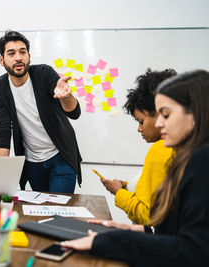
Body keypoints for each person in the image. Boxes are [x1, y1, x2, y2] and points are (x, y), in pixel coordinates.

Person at [62, 70, 209, 267]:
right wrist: (131, 230)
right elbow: (181, 232)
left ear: (195, 113)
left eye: (165, 114)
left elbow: (193, 251)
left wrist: (113, 240)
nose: (158, 123)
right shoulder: (191, 157)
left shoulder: (202, 160)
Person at [0, 30, 82, 193]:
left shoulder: (44, 74)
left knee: (58, 210)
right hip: (32, 163)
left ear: (29, 56)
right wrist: (0, 175)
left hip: (61, 156)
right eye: (11, 53)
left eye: (22, 52)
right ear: (1, 59)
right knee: (40, 212)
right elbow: (3, 131)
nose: (18, 57)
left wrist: (65, 97)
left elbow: (74, 113)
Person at [100, 69, 176, 224]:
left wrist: (119, 192)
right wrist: (128, 186)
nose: (139, 129)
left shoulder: (161, 149)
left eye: (141, 121)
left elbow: (147, 214)